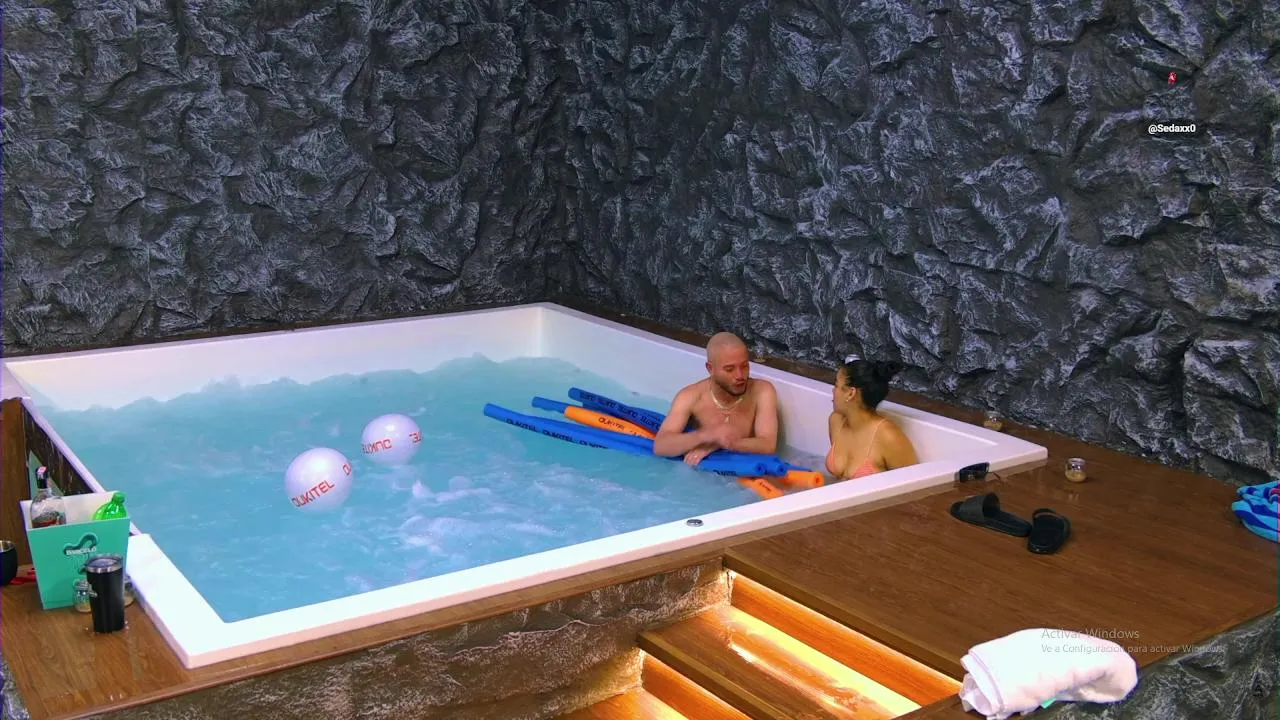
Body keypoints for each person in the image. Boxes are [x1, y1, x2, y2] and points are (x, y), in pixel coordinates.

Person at [653, 332, 780, 466]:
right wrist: (706, 435)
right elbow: (661, 446)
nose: (740, 375)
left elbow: (768, 445)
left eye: (744, 366)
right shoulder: (690, 396)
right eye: (729, 369)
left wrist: (723, 443)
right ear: (710, 368)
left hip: (746, 470)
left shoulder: (762, 391)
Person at [826, 358, 918, 479]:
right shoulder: (836, 421)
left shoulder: (888, 436)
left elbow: (913, 485)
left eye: (836, 385)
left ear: (851, 393)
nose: (833, 390)